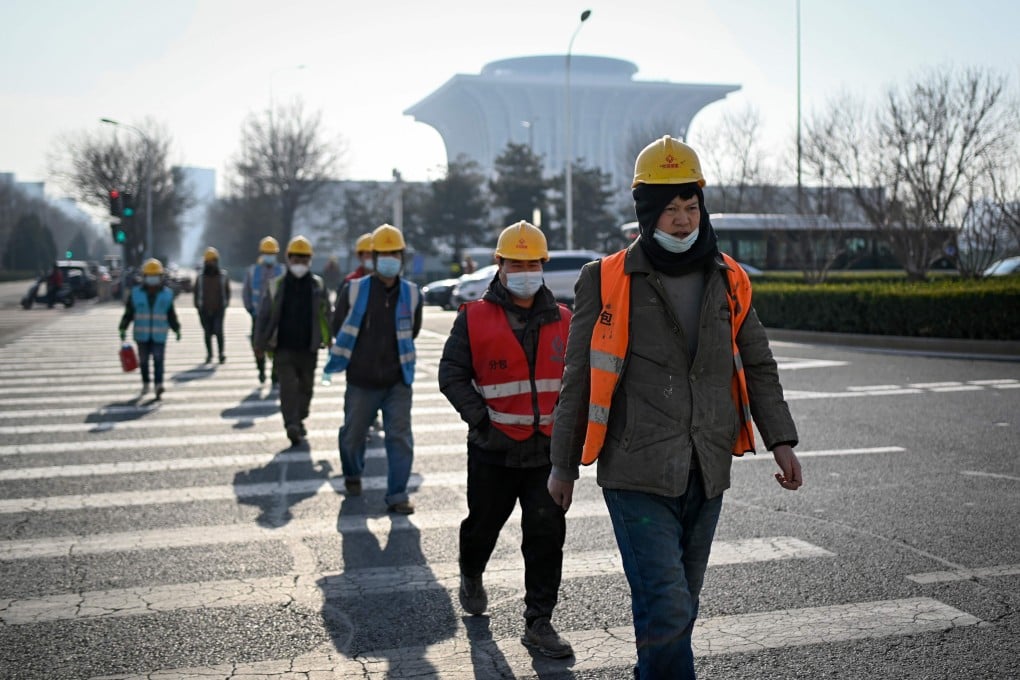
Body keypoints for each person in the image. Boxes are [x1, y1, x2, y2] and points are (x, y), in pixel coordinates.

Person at [547, 136, 803, 680]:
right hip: (636, 470)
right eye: (671, 209)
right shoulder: (606, 278)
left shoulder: (729, 277)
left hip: (707, 467)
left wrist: (781, 441)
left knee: (679, 606)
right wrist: (562, 464)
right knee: (666, 605)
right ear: (646, 212)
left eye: (691, 207)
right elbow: (579, 375)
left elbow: (757, 363)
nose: (684, 221)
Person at [438, 221, 574, 659]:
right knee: (482, 528)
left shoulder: (566, 320)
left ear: (543, 266)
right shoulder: (474, 318)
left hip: (546, 453)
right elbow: (451, 374)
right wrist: (481, 421)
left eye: (533, 263)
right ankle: (471, 572)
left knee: (545, 535)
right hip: (493, 451)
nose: (525, 271)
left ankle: (540, 621)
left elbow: (579, 381)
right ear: (499, 265)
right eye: (516, 263)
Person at [326, 223, 423, 514]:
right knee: (353, 435)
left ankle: (397, 494)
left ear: (402, 257)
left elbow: (412, 331)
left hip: (397, 381)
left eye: (395, 253)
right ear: (374, 256)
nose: (389, 258)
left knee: (400, 438)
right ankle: (353, 474)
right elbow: (338, 326)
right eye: (384, 253)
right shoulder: (354, 290)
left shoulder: (413, 293)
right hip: (361, 381)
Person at [253, 235, 332, 447]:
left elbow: (327, 314)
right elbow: (264, 315)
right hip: (283, 348)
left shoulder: (318, 285)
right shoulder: (276, 285)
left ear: (310, 261)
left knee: (306, 388)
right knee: (288, 388)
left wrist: (331, 337)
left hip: (309, 347)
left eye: (304, 260)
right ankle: (291, 424)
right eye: (296, 259)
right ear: (289, 260)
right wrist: (259, 343)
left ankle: (300, 417)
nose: (300, 264)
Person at [119, 258, 181, 399]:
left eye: (155, 276)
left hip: (159, 335)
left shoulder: (167, 294)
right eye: (150, 276)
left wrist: (176, 328)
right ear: (144, 277)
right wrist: (123, 327)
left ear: (160, 277)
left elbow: (171, 313)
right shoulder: (135, 293)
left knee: (159, 361)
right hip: (142, 335)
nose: (152, 279)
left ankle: (158, 385)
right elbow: (129, 313)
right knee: (144, 361)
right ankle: (146, 383)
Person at [243, 236, 286, 385]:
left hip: (277, 316)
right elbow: (246, 291)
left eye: (272, 253)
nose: (270, 256)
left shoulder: (282, 270)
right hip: (257, 315)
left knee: (278, 346)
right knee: (257, 345)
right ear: (261, 253)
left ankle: (275, 373)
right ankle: (261, 370)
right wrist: (250, 308)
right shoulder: (253, 271)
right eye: (267, 253)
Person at [194, 246, 230, 364]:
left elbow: (227, 291)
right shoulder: (200, 278)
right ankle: (209, 354)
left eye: (213, 261)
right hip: (204, 310)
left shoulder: (223, 276)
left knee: (219, 331)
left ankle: (221, 354)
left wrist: (225, 305)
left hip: (219, 309)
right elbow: (196, 293)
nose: (211, 263)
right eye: (209, 261)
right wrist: (198, 308)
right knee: (207, 332)